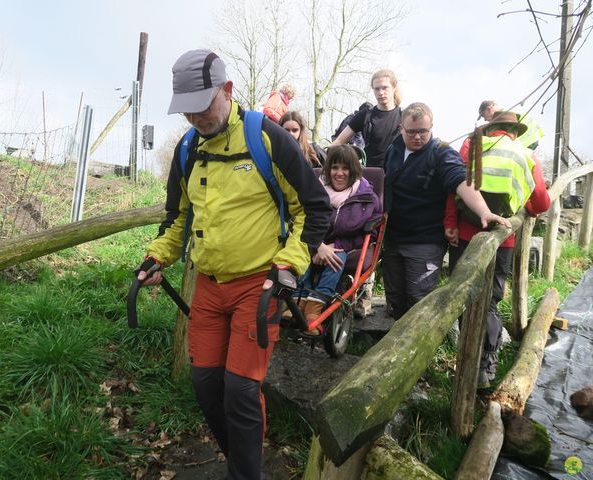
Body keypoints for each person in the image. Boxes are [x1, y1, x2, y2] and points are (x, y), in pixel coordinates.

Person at [136, 49, 331, 480]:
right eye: (186, 111)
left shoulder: (267, 139)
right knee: (206, 384)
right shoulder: (188, 148)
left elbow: (314, 210)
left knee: (241, 389)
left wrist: (289, 265)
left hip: (259, 286)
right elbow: (177, 218)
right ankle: (243, 462)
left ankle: (245, 474)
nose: (194, 118)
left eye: (202, 106)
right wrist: (157, 256)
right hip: (208, 284)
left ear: (227, 90)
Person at [445, 111, 550, 389]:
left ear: (491, 129)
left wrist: (450, 225)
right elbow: (541, 203)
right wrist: (526, 206)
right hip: (502, 236)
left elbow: (453, 188)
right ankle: (484, 365)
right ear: (514, 131)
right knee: (490, 301)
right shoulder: (525, 155)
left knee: (463, 295)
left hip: (466, 234)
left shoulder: (473, 150)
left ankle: (464, 359)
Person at [382, 102, 511, 321]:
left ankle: (419, 350)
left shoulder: (440, 153)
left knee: (418, 298)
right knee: (395, 296)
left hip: (425, 240)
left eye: (423, 131)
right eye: (411, 132)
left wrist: (483, 211)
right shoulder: (393, 150)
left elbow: (460, 180)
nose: (417, 137)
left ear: (432, 127)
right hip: (393, 237)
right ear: (401, 128)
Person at [292, 145, 383, 334]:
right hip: (314, 242)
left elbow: (368, 232)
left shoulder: (366, 198)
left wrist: (336, 246)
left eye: (345, 168)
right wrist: (318, 246)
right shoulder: (314, 191)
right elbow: (302, 221)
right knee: (300, 255)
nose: (339, 173)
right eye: (334, 167)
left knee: (336, 258)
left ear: (354, 170)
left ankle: (314, 309)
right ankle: (297, 302)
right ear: (328, 170)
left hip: (345, 247)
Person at [331, 69, 402, 168]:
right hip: (370, 173)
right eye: (377, 89)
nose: (381, 92)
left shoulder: (403, 117)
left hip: (396, 173)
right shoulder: (364, 115)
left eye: (385, 88)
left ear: (394, 87)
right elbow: (339, 142)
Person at [478, 100, 544, 150]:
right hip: (532, 137)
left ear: (489, 109)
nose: (485, 120)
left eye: (484, 116)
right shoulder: (509, 111)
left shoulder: (506, 115)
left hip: (526, 140)